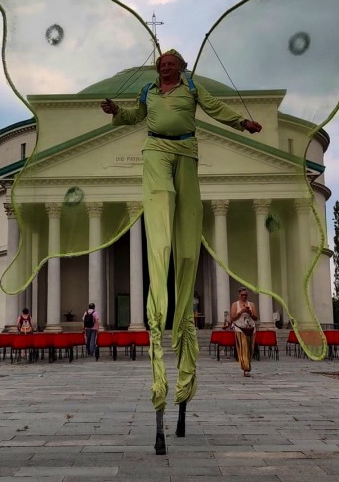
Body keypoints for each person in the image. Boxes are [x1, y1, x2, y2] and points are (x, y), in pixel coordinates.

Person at [101, 49, 262, 455]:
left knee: (188, 240)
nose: (165, 67)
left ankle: (185, 369)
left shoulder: (192, 88)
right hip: (156, 151)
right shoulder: (148, 92)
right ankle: (159, 357)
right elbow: (134, 118)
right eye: (161, 64)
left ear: (182, 67)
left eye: (170, 64)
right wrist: (114, 112)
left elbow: (215, 107)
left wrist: (242, 122)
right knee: (161, 228)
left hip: (187, 152)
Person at [230, 288, 258, 377]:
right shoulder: (235, 304)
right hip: (240, 328)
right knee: (243, 348)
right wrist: (241, 312)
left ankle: (248, 364)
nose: (244, 296)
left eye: (245, 295)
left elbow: (256, 318)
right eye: (242, 295)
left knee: (250, 349)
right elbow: (233, 318)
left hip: (251, 328)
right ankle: (246, 368)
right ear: (239, 295)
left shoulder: (251, 304)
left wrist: (250, 313)